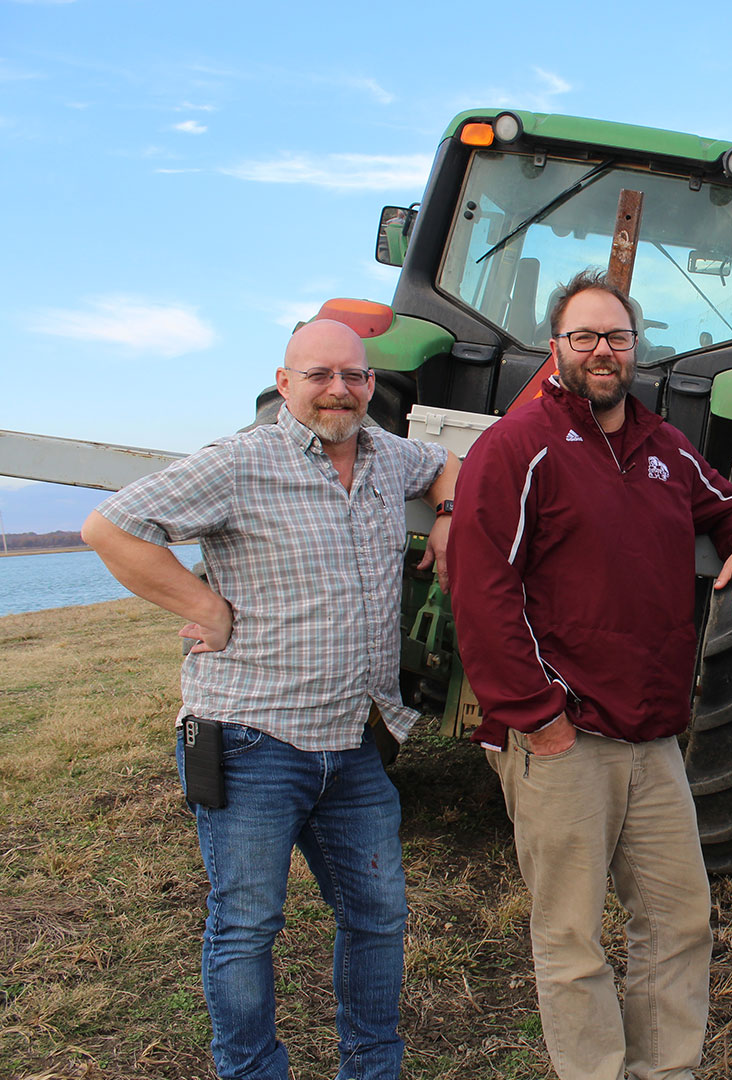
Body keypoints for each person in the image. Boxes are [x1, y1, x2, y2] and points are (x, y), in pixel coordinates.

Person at [81, 318, 460, 1080]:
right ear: (284, 385)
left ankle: (372, 1067)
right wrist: (205, 606)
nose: (339, 390)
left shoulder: (388, 456)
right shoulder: (239, 462)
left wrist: (449, 516)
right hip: (253, 739)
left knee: (378, 915)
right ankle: (252, 1071)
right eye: (319, 375)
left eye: (354, 376)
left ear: (371, 386)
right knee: (248, 927)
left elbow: (450, 465)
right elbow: (110, 526)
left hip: (353, 743)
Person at [445, 269, 732, 1080]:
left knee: (677, 920)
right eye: (583, 336)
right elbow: (483, 592)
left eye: (616, 337)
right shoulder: (516, 447)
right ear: (555, 348)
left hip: (654, 736)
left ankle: (664, 1071)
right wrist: (537, 716)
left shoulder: (662, 446)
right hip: (565, 737)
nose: (601, 350)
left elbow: (726, 501)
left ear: (636, 349)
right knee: (571, 937)